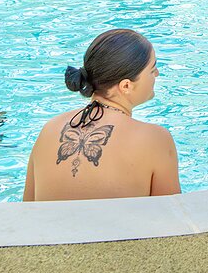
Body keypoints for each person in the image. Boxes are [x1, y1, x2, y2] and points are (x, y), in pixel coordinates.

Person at [23, 29, 179, 201]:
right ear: (126, 86)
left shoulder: (49, 129)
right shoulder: (155, 140)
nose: (157, 74)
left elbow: (27, 210)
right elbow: (172, 218)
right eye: (152, 69)